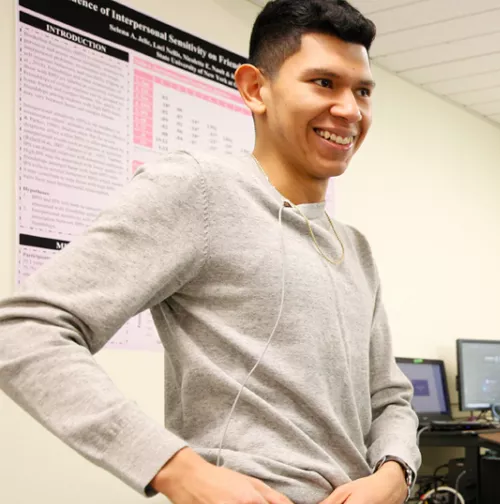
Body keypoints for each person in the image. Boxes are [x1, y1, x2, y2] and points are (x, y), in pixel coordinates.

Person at [0, 1, 420, 503]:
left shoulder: (354, 247)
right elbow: (24, 331)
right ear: (254, 88)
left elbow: (389, 396)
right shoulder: (198, 189)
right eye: (324, 83)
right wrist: (177, 469)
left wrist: (395, 472)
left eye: (363, 91)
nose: (350, 110)